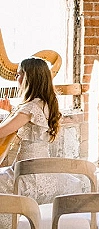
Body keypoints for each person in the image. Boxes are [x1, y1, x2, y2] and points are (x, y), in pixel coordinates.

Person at [0, 56, 63, 199]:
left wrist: (11, 113)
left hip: (28, 174)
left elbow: (1, 132)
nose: (17, 78)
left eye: (18, 74)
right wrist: (10, 110)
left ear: (27, 78)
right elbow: (29, 123)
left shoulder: (30, 107)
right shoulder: (45, 102)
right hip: (43, 169)